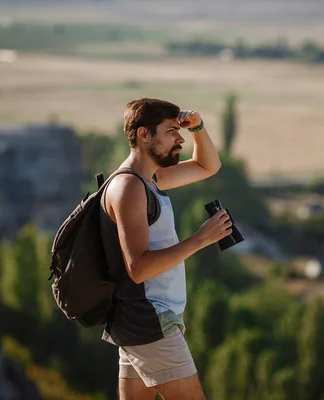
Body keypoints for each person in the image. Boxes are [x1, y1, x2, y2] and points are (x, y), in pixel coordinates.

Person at [99, 98, 232, 400]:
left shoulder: (150, 179)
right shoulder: (130, 188)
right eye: (171, 131)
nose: (180, 138)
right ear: (144, 135)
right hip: (150, 319)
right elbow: (139, 268)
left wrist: (197, 126)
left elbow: (208, 165)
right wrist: (201, 239)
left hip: (140, 318)